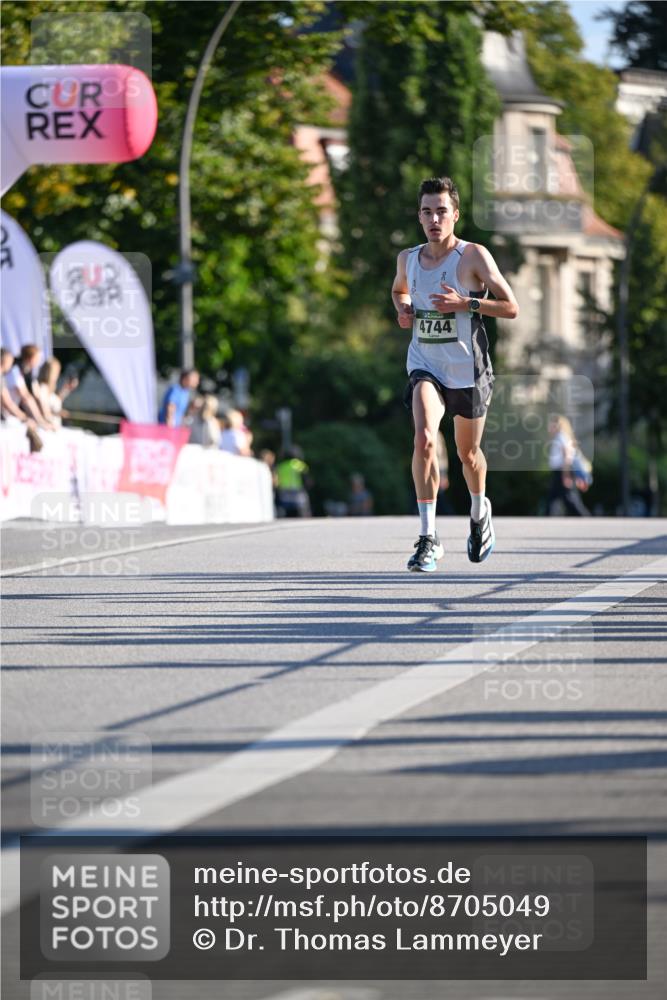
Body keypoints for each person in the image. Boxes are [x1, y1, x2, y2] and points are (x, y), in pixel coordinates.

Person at [392, 176, 519, 572]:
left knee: (468, 454)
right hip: (425, 364)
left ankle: (480, 512)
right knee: (426, 438)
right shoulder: (407, 259)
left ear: (455, 215)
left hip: (468, 368)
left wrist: (467, 304)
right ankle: (428, 538)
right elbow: (399, 290)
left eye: (441, 211)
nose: (434, 219)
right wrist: (404, 308)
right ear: (419, 215)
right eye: (427, 211)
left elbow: (510, 306)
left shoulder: (473, 257)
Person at [546, 415, 591, 516]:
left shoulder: (561, 437)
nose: (549, 428)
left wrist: (566, 475)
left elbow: (567, 457)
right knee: (554, 497)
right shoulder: (559, 437)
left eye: (552, 425)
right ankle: (546, 516)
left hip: (562, 471)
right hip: (560, 471)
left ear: (558, 426)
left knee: (569, 498)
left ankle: (584, 517)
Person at [3, 344, 55, 430]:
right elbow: (26, 397)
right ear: (30, 358)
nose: (39, 361)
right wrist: (40, 421)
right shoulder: (15, 370)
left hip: (12, 412)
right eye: (37, 358)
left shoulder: (27, 373)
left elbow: (37, 396)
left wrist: (45, 418)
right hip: (7, 414)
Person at [36, 358, 78, 429]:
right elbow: (43, 410)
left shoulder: (50, 388)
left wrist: (68, 389)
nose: (58, 374)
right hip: (48, 427)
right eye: (56, 372)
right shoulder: (42, 388)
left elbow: (56, 401)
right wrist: (59, 413)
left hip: (55, 425)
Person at [275, 446, 311, 517]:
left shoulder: (281, 466)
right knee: (302, 508)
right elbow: (305, 477)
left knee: (287, 511)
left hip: (284, 490)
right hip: (297, 490)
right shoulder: (299, 464)